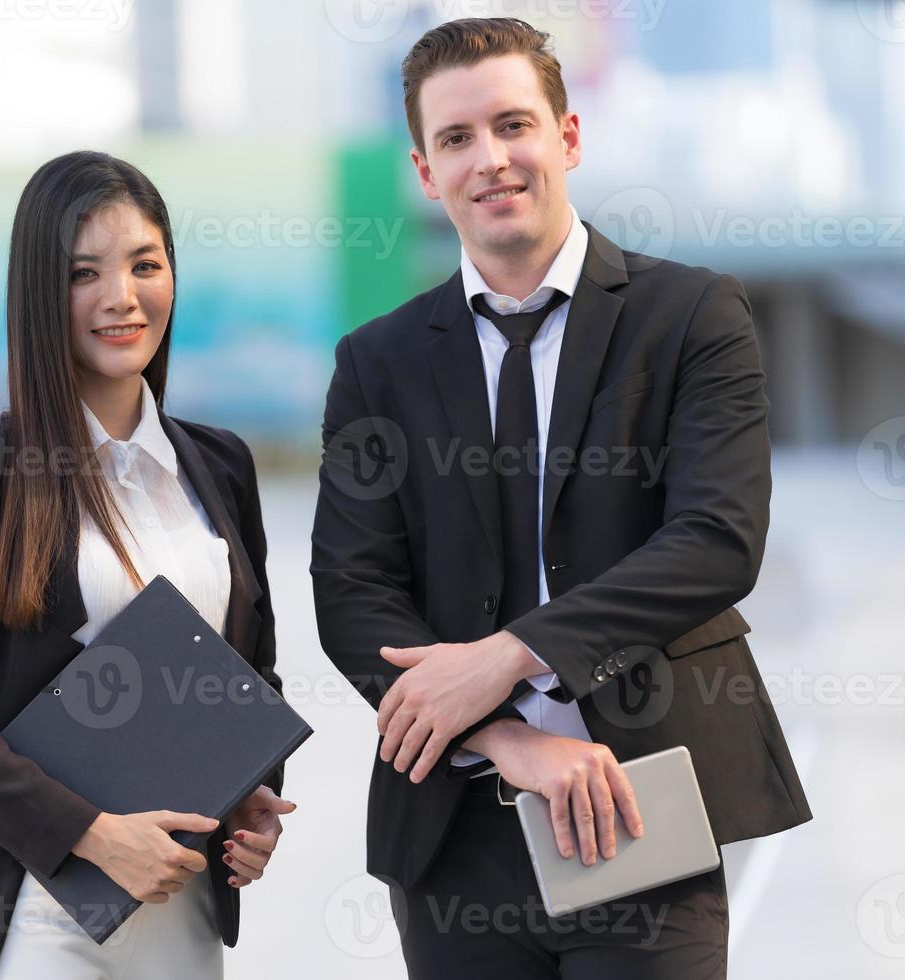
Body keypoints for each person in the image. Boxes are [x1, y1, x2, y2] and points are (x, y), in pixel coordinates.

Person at [310, 17, 811, 978]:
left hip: (642, 802)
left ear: (567, 137)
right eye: (455, 139)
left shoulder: (693, 316)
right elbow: (351, 590)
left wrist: (507, 659)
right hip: (453, 827)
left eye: (513, 125)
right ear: (424, 171)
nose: (489, 159)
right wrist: (495, 733)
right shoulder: (376, 362)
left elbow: (716, 538)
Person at [0, 150, 296, 980]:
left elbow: (253, 670)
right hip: (43, 900)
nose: (122, 297)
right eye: (85, 272)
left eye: (146, 265)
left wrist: (251, 794)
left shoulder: (221, 465)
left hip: (184, 895)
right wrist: (94, 834)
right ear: (40, 292)